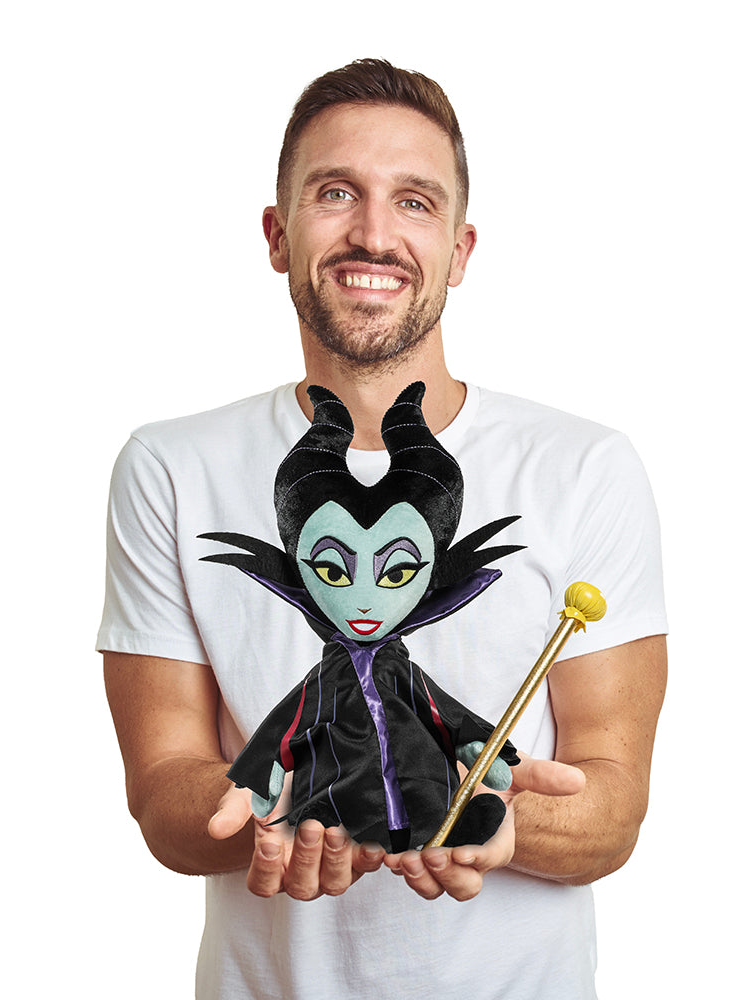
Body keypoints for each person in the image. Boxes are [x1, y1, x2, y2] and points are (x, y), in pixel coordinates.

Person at [99, 58, 668, 1000]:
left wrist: (496, 816)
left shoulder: (585, 468)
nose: (373, 233)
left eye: (414, 202)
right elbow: (164, 796)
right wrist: (283, 807)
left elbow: (612, 810)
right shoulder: (169, 467)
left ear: (460, 250)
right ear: (277, 235)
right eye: (336, 193)